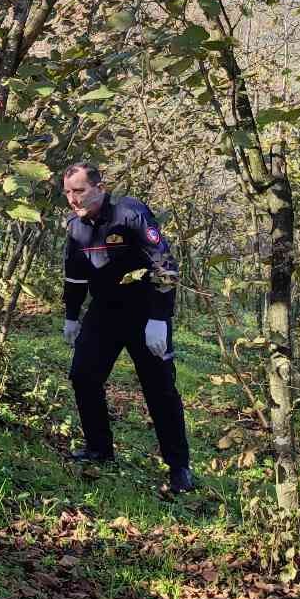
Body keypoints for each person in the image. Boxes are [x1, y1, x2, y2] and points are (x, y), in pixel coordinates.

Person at [60, 162, 196, 494]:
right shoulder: (74, 227)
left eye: (79, 191)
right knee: (83, 376)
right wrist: (72, 315)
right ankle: (99, 448)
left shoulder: (130, 213)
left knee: (160, 389)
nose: (73, 199)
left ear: (99, 187)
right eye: (67, 193)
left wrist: (160, 318)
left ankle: (179, 468)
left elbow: (164, 262)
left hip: (144, 312)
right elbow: (75, 273)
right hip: (103, 313)